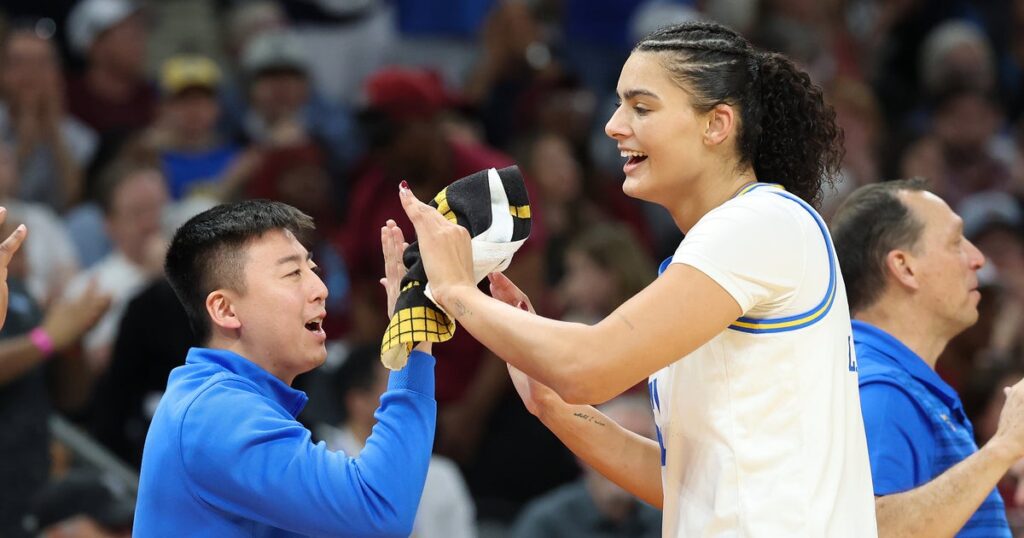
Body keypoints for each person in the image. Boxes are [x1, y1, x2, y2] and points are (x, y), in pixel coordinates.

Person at [398, 20, 876, 536]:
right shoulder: (733, 238)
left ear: (717, 125)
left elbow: (590, 367)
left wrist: (455, 290)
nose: (613, 125)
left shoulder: (758, 224)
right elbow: (683, 486)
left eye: (641, 108)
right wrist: (551, 403)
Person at [134, 202, 437, 536]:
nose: (321, 289)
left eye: (312, 268)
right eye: (293, 273)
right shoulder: (214, 413)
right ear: (225, 309)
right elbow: (378, 510)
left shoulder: (218, 403)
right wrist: (412, 343)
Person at [831, 179, 1020, 536]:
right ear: (905, 267)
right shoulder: (881, 389)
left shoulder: (897, 382)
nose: (978, 258)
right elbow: (873, 529)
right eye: (955, 242)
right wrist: (1004, 447)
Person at [318, 344, 476, 538]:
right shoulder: (322, 468)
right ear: (358, 401)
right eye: (396, 383)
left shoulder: (442, 475)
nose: (411, 393)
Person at [509, 394, 662, 538]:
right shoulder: (547, 522)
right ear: (582, 453)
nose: (628, 459)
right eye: (613, 444)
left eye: (644, 444)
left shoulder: (666, 522)